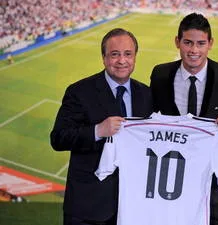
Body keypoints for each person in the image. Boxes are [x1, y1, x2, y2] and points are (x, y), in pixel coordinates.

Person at [150, 13, 218, 225]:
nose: (194, 50)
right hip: (173, 178)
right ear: (177, 42)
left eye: (201, 43)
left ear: (210, 43)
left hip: (217, 181)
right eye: (188, 43)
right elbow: (149, 117)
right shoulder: (160, 75)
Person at [50, 28, 153, 225]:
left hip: (133, 206)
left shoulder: (147, 94)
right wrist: (98, 131)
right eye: (115, 54)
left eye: (127, 54)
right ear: (104, 58)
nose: (122, 61)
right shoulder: (79, 91)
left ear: (135, 57)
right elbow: (58, 138)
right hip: (89, 207)